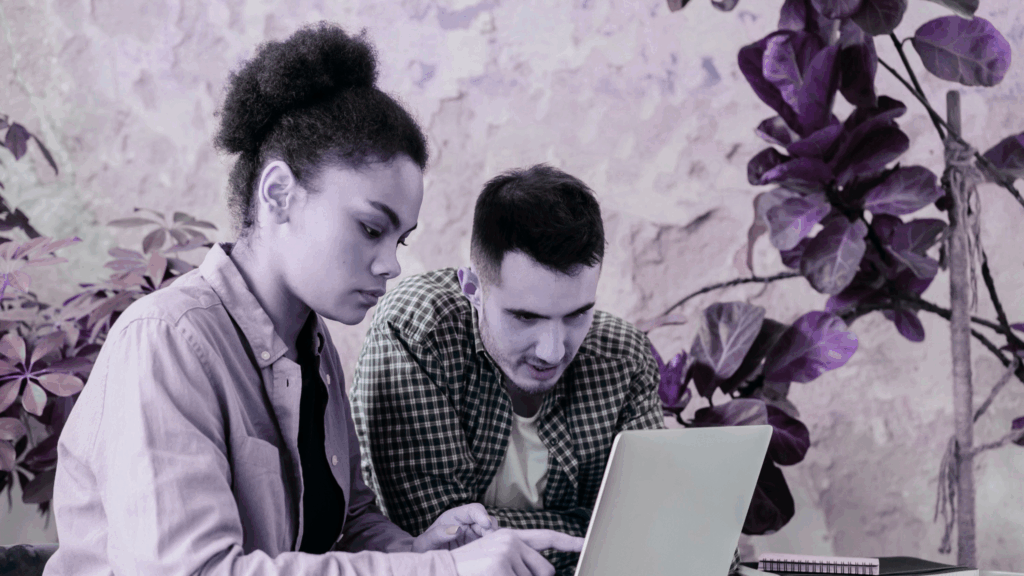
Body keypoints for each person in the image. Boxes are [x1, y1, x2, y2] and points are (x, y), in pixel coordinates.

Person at [43, 23, 581, 576]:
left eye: (400, 239)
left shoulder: (310, 345)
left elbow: (341, 526)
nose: (391, 264)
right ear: (279, 193)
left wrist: (423, 549)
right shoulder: (166, 341)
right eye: (372, 228)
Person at [351, 164, 667, 576]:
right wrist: (598, 533)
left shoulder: (624, 358)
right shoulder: (418, 330)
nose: (553, 352)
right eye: (525, 317)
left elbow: (661, 533)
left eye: (576, 315)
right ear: (472, 290)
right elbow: (438, 542)